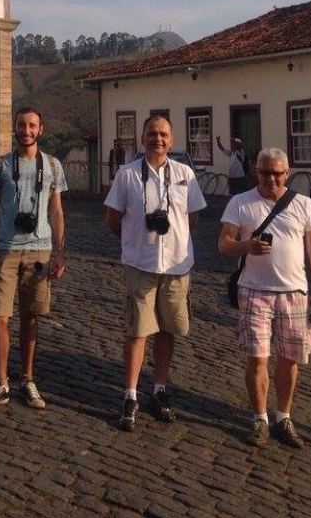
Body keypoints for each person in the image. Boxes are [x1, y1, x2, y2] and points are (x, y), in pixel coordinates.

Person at [217, 148, 311, 448]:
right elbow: (224, 244)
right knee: (257, 357)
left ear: (287, 174)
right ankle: (260, 418)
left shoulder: (304, 204)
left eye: (277, 173)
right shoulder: (240, 203)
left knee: (290, 359)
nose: (271, 179)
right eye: (265, 172)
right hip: (254, 290)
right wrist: (247, 247)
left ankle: (283, 416)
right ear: (257, 172)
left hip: (294, 292)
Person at [105, 115, 206, 431]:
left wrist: (174, 240)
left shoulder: (185, 174)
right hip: (141, 265)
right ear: (142, 137)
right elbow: (112, 219)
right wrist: (136, 242)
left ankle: (159, 389)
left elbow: (191, 218)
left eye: (163, 134)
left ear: (171, 140)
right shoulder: (127, 175)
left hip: (176, 266)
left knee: (166, 329)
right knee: (137, 331)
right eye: (152, 133)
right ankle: (130, 394)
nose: (157, 139)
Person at [0, 107, 67, 410]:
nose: (26, 130)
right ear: (15, 128)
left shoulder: (52, 166)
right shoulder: (0, 166)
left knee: (30, 316)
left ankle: (27, 380)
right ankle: (1, 383)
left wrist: (60, 252)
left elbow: (57, 211)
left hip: (40, 250)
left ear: (41, 129)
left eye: (31, 125)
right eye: (21, 125)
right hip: (5, 249)